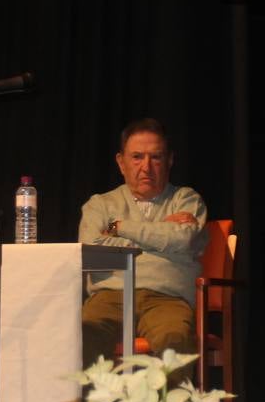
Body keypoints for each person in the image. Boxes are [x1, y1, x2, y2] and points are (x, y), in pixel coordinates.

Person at [79, 118, 208, 370]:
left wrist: (119, 227)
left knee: (175, 341)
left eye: (156, 157)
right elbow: (91, 249)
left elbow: (182, 239)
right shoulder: (99, 204)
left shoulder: (187, 200)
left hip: (167, 298)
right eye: (137, 157)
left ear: (170, 160)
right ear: (121, 162)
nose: (146, 167)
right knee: (83, 333)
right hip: (109, 296)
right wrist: (161, 237)